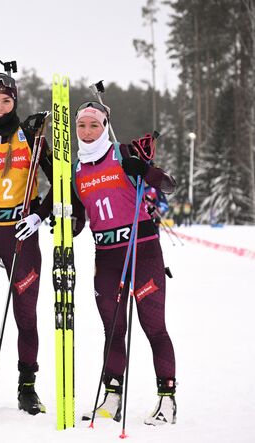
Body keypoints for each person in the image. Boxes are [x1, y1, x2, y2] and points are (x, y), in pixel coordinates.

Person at [69, 101, 177, 426]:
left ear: (105, 126)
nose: (88, 132)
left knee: (153, 326)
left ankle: (168, 401)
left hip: (141, 248)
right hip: (106, 255)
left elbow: (168, 185)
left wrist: (144, 171)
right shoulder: (75, 170)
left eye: (94, 125)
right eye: (82, 126)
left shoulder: (124, 153)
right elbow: (78, 221)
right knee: (113, 328)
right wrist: (63, 223)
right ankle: (112, 398)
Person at [0, 73, 52, 415]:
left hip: (22, 236)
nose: (0, 107)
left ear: (15, 102)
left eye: (7, 101)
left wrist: (38, 214)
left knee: (26, 315)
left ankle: (27, 387)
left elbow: (59, 183)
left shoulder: (32, 139)